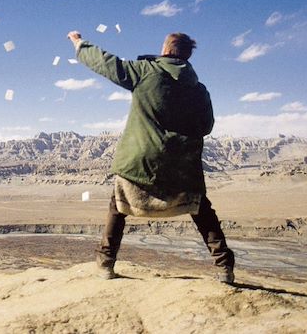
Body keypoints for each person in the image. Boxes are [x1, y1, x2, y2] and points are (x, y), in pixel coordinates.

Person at [66, 30, 235, 283]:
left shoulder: (146, 71)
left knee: (118, 206)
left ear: (166, 50)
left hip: (142, 162)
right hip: (183, 167)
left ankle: (105, 263)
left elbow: (107, 63)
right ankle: (224, 268)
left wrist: (80, 44)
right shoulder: (199, 90)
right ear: (187, 57)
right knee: (201, 210)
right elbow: (206, 126)